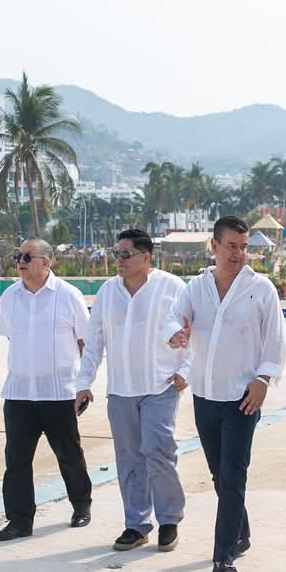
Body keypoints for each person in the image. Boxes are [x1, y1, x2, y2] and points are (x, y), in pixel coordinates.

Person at [164, 215, 286, 572]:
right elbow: (173, 318)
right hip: (205, 395)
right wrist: (176, 335)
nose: (238, 254)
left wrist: (263, 380)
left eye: (243, 247)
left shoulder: (260, 288)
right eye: (232, 246)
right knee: (220, 475)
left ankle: (223, 557)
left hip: (242, 398)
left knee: (233, 476)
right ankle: (241, 532)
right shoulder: (196, 287)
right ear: (214, 246)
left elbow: (275, 341)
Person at [75, 229, 189, 552]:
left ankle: (169, 520)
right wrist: (84, 383)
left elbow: (195, 333)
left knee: (158, 450)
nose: (119, 260)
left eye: (126, 254)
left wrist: (186, 370)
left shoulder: (173, 288)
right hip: (121, 389)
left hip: (160, 386)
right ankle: (136, 524)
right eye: (117, 254)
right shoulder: (107, 292)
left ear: (146, 257)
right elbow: (94, 341)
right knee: (128, 458)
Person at [0, 238, 94, 542]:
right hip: (19, 392)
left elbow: (86, 342)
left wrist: (84, 385)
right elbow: (13, 337)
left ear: (45, 262)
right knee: (16, 461)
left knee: (69, 454)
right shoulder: (9, 296)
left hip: (59, 393)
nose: (19, 262)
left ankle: (81, 505)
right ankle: (19, 521)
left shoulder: (68, 295)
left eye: (26, 257)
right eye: (17, 256)